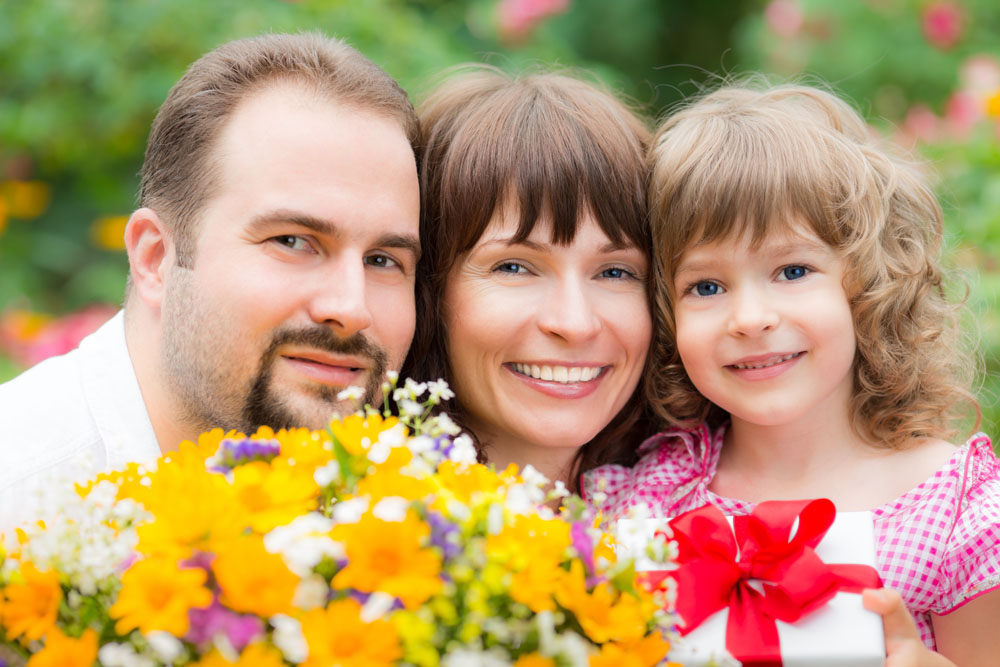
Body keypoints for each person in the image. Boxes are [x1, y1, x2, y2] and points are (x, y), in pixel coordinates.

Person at [584, 83, 1000, 665]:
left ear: (866, 281)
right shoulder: (643, 497)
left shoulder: (956, 511)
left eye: (792, 270)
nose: (751, 319)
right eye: (707, 286)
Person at [0, 32, 421, 528]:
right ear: (155, 258)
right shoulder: (20, 502)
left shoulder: (405, 513)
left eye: (383, 260)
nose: (352, 308)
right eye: (292, 241)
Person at [403, 66, 656, 491]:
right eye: (514, 267)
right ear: (428, 290)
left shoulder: (706, 517)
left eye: (615, 272)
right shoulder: (333, 524)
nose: (575, 323)